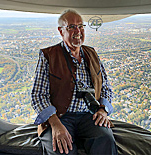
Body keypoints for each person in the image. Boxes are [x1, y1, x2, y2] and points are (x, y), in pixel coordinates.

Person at [31, 9, 118, 155]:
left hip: (89, 116)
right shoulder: (48, 56)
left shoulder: (92, 54)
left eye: (81, 26)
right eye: (71, 27)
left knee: (106, 141)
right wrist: (55, 124)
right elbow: (38, 95)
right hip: (59, 117)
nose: (78, 31)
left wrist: (103, 110)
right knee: (62, 149)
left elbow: (106, 88)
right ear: (61, 31)